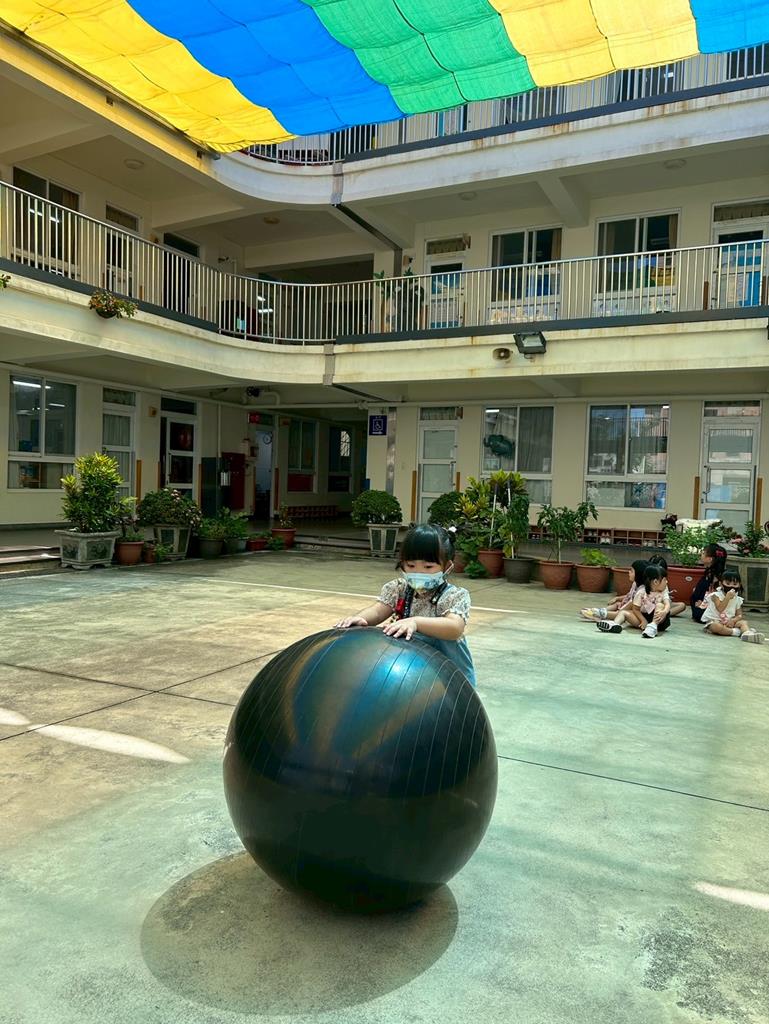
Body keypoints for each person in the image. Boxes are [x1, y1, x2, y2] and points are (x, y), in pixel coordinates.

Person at [334, 523, 476, 684]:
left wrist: (415, 622)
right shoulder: (399, 589)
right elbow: (378, 610)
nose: (418, 572)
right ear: (402, 564)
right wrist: (362, 618)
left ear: (447, 567)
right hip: (410, 674)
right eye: (411, 565)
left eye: (428, 566)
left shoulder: (453, 596)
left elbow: (454, 628)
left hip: (447, 680)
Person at [597, 564, 671, 638]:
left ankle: (653, 626)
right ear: (656, 582)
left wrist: (664, 611)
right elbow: (635, 609)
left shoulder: (663, 591)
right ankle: (614, 624)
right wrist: (643, 620)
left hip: (660, 621)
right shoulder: (641, 592)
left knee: (660, 605)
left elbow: (667, 604)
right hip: (643, 618)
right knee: (623, 613)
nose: (667, 582)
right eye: (665, 580)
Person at [701, 566, 765, 643]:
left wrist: (733, 620)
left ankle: (748, 634)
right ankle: (736, 632)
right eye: (728, 583)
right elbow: (720, 609)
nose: (731, 586)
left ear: (739, 585)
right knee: (715, 626)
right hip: (715, 621)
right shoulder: (715, 596)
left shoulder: (737, 599)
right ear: (721, 584)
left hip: (729, 622)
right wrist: (727, 598)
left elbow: (739, 615)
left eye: (735, 584)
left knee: (743, 622)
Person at [580, 559, 648, 621]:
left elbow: (632, 603)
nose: (629, 572)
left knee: (619, 613)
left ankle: (598, 614)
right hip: (628, 604)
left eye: (632, 571)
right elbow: (629, 595)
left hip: (634, 609)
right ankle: (601, 610)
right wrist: (617, 598)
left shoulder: (642, 590)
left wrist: (622, 608)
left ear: (638, 575)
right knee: (617, 604)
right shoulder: (635, 584)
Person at [690, 543, 727, 623]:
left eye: (703, 553)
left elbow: (714, 594)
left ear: (710, 559)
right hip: (701, 603)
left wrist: (704, 603)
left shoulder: (716, 577)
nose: (701, 555)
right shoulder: (709, 573)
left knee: (699, 615)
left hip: (709, 607)